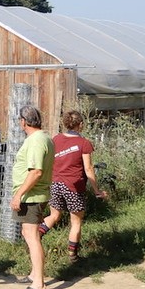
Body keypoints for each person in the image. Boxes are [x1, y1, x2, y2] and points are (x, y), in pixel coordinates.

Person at [37, 110, 107, 262]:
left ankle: (36, 237)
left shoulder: (56, 139)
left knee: (54, 215)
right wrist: (97, 190)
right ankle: (73, 256)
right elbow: (88, 169)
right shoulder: (84, 143)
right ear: (80, 125)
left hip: (55, 184)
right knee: (75, 222)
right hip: (74, 187)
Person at [11, 105, 55, 289]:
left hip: (32, 196)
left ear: (23, 121)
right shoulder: (42, 138)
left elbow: (36, 172)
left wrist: (18, 194)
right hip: (33, 194)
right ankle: (34, 274)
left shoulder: (37, 141)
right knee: (27, 233)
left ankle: (39, 284)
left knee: (32, 236)